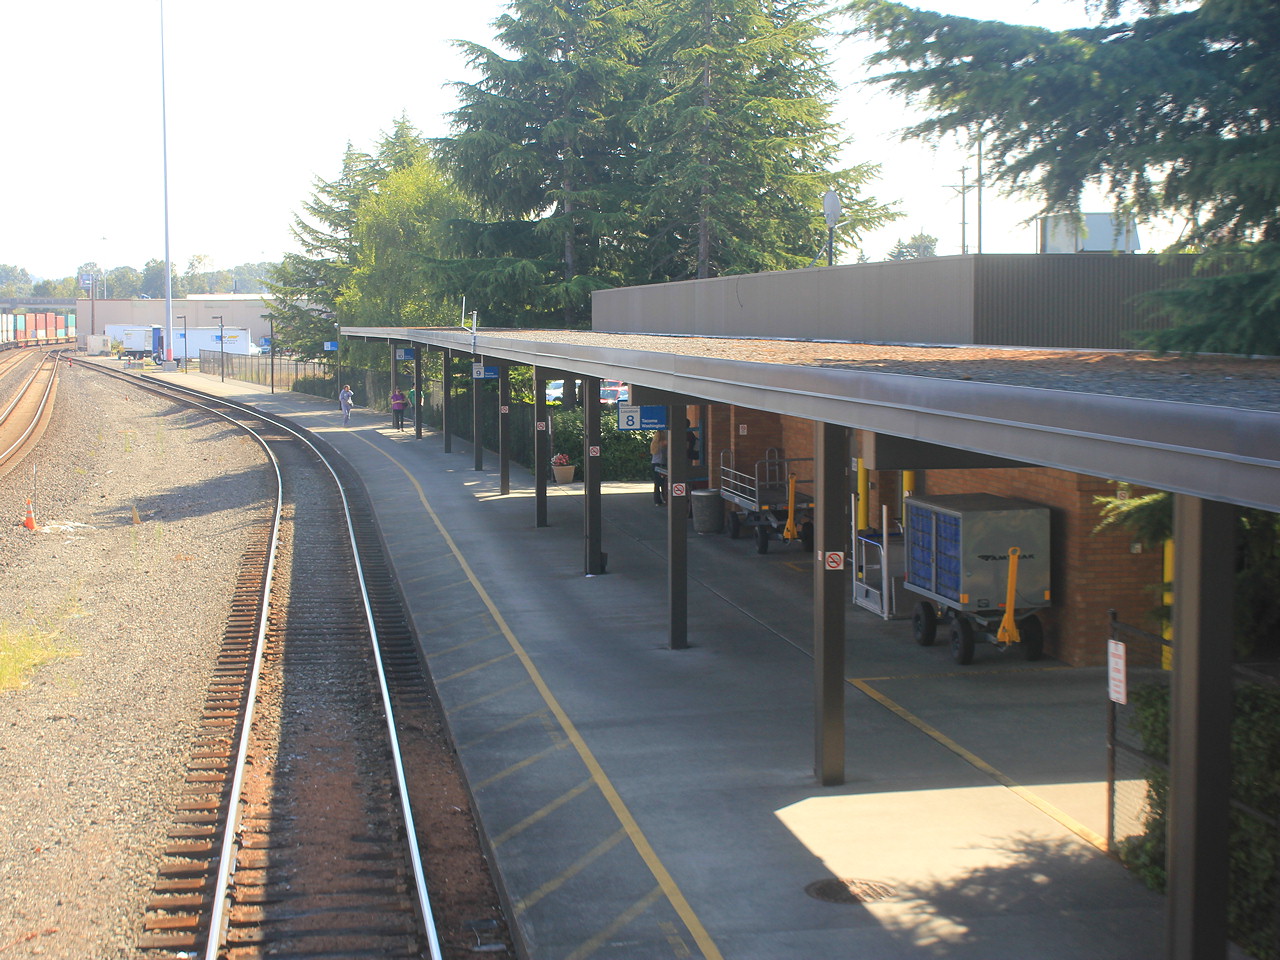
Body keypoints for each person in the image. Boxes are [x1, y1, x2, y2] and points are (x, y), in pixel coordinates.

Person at [650, 433, 668, 505]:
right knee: (664, 483)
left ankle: (657, 501)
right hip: (661, 465)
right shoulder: (663, 444)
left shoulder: (653, 444)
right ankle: (665, 498)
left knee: (657, 483)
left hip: (654, 464)